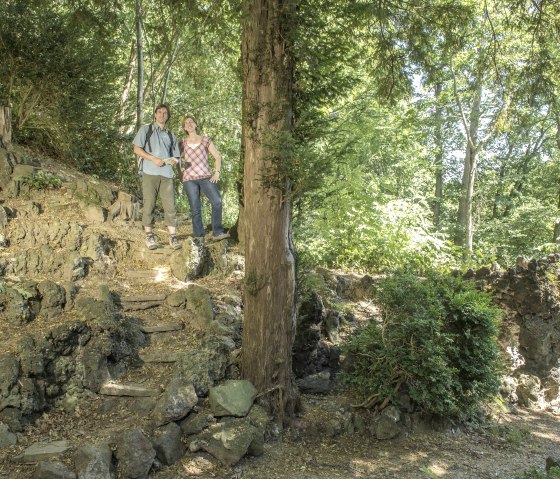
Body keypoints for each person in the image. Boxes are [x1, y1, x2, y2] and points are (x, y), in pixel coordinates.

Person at [132, 103, 182, 250]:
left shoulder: (171, 135)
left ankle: (173, 237)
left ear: (168, 117)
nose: (162, 115)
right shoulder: (146, 130)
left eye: (165, 113)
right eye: (159, 112)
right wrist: (152, 159)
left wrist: (174, 161)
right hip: (149, 172)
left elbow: (177, 156)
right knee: (149, 204)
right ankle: (149, 236)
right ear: (155, 114)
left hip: (166, 175)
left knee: (170, 206)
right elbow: (136, 149)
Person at [180, 114, 229, 242]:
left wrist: (217, 172)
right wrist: (181, 174)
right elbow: (177, 159)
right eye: (186, 123)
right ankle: (199, 236)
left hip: (206, 177)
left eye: (191, 122)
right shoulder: (182, 142)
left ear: (196, 124)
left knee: (217, 201)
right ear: (184, 127)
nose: (189, 124)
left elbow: (217, 156)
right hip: (189, 179)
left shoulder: (205, 140)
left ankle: (217, 232)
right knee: (195, 208)